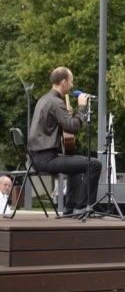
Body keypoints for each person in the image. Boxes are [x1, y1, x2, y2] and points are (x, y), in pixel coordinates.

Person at [27, 67, 102, 215]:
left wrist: (68, 115)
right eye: (71, 82)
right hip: (46, 159)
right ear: (64, 82)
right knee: (94, 164)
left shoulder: (44, 99)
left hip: (36, 158)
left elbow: (60, 125)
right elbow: (73, 127)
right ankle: (81, 207)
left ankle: (70, 209)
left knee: (74, 168)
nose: (73, 85)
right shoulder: (56, 102)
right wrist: (82, 107)